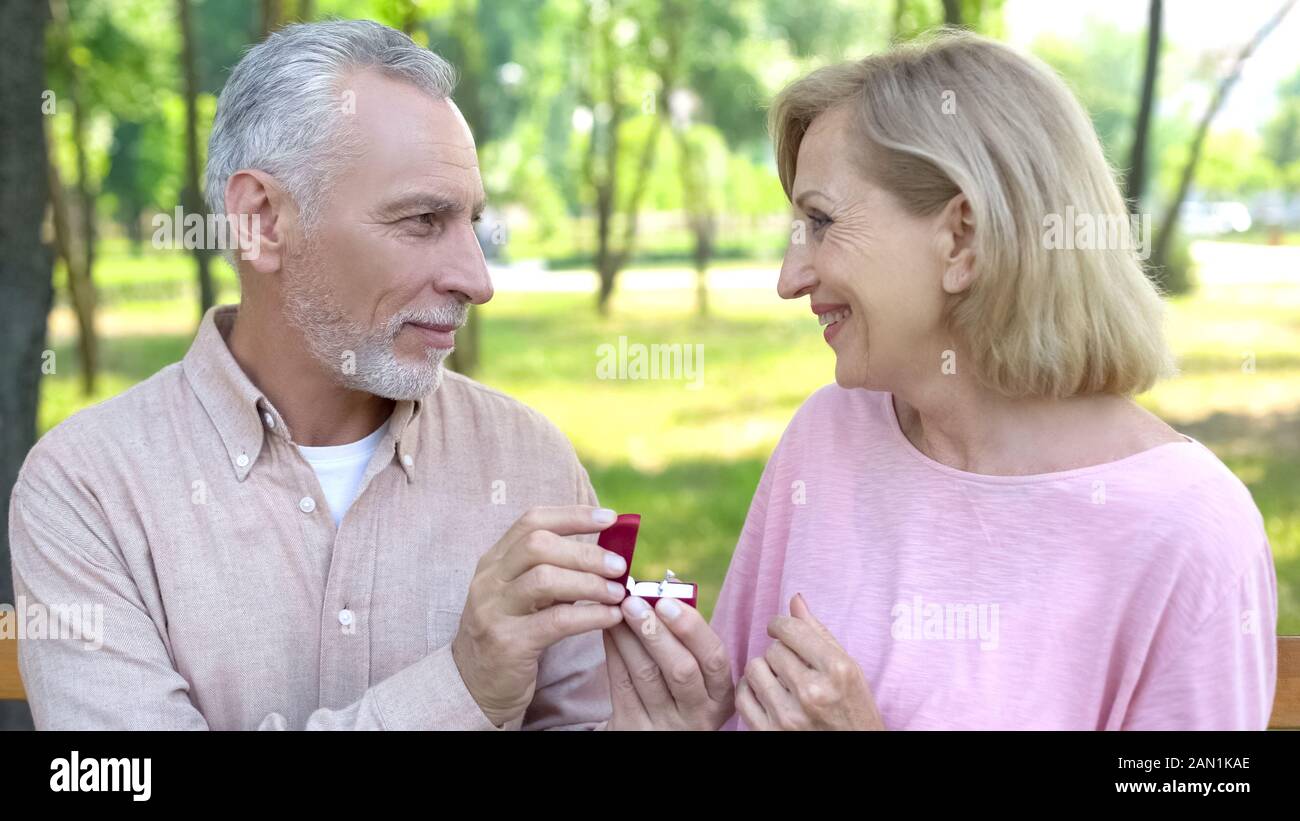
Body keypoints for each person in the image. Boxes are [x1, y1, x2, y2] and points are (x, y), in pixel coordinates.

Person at [9, 19, 667, 731]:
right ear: (260, 220)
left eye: (472, 222)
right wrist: (461, 688)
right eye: (421, 220)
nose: (477, 280)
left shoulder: (529, 459)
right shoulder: (88, 489)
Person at [706, 30, 1278, 730]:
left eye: (821, 222)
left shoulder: (1188, 532)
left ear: (963, 238)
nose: (789, 279)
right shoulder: (826, 438)